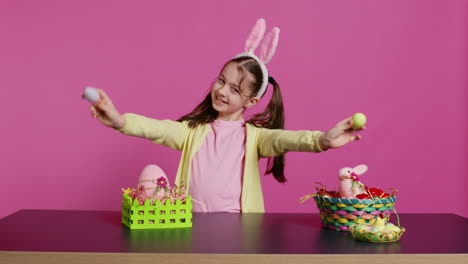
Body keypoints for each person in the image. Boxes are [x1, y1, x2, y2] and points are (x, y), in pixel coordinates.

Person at [85, 19, 364, 213]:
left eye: (234, 89)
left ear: (251, 100)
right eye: (221, 80)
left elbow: (286, 139)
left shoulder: (254, 138)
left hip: (239, 228)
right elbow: (157, 129)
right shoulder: (193, 131)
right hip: (191, 224)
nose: (222, 91)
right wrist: (120, 121)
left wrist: (323, 140)